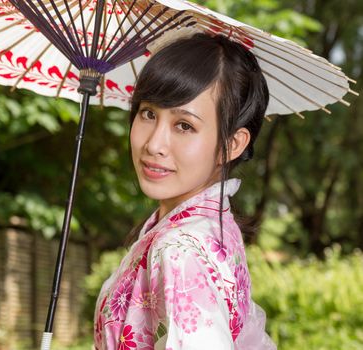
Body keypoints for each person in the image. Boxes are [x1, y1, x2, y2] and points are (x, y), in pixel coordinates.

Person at [93, 32, 277, 349]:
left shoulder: (180, 248)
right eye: (148, 113)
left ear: (231, 144)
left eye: (184, 125)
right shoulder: (210, 226)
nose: (154, 144)